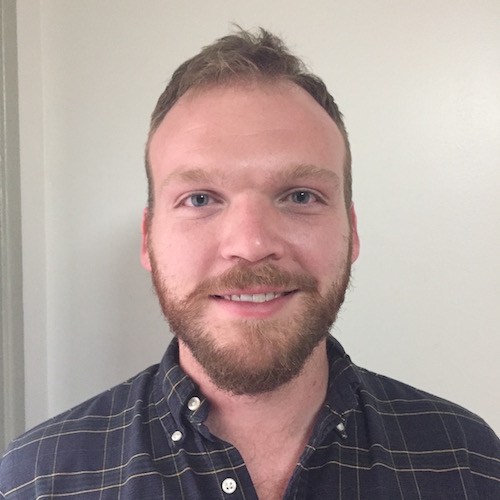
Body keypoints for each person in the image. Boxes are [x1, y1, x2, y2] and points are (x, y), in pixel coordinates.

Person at [1, 28, 499, 500]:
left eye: (300, 196)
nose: (252, 244)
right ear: (148, 238)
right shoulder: (35, 481)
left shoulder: (469, 463)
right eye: (200, 199)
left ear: (351, 231)